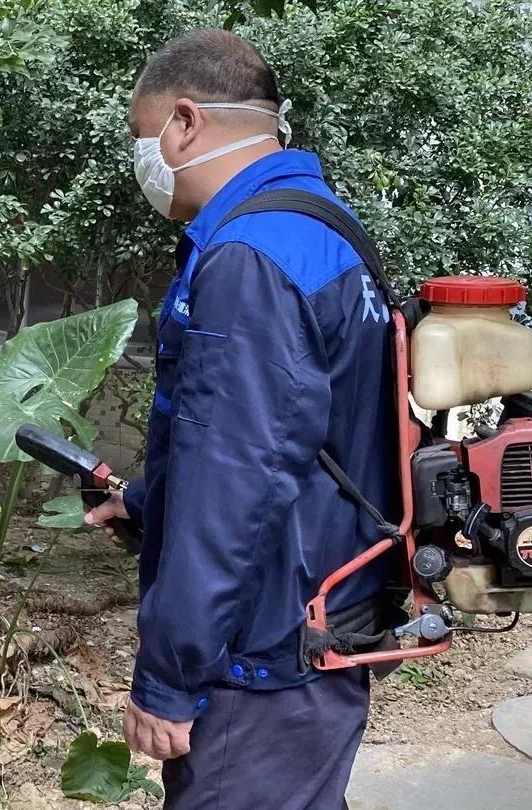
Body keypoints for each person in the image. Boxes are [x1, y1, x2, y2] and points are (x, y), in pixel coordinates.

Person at [84, 28, 397, 809]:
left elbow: (237, 481)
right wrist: (147, 502)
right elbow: (297, 440)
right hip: (324, 631)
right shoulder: (323, 228)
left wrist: (169, 676)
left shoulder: (248, 256)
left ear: (184, 122)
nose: (143, 160)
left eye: (142, 137)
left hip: (261, 661)